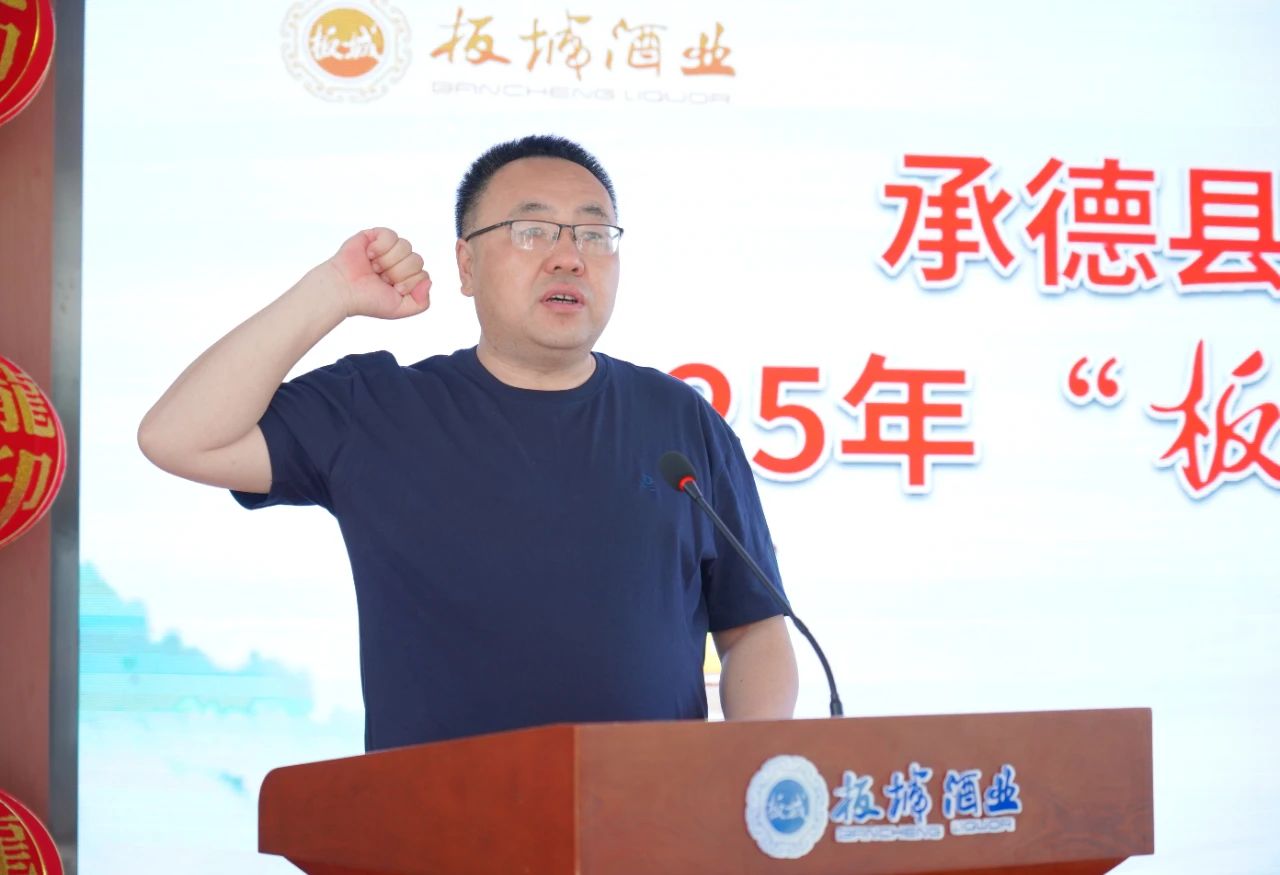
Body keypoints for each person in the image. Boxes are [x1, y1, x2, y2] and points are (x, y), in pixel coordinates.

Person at [138, 134, 798, 751]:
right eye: (532, 230)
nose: (569, 256)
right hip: (436, 819)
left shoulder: (680, 420)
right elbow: (178, 437)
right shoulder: (379, 409)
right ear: (466, 264)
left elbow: (754, 629)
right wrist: (330, 291)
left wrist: (749, 774)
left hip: (644, 817)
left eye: (594, 234)